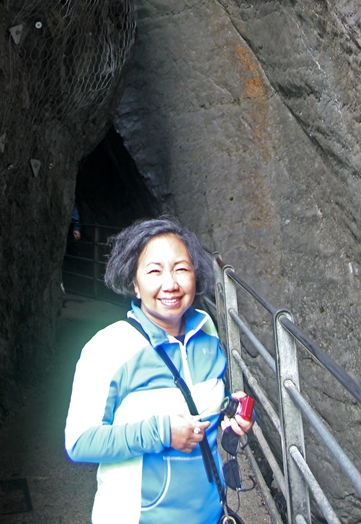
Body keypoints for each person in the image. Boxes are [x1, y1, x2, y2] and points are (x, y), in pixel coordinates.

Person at [64, 217, 253, 524]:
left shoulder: (207, 336)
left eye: (181, 268)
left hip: (210, 513)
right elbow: (79, 442)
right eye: (154, 271)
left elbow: (209, 407)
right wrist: (161, 432)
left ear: (195, 275)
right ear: (135, 283)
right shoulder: (109, 348)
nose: (171, 284)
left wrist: (233, 413)